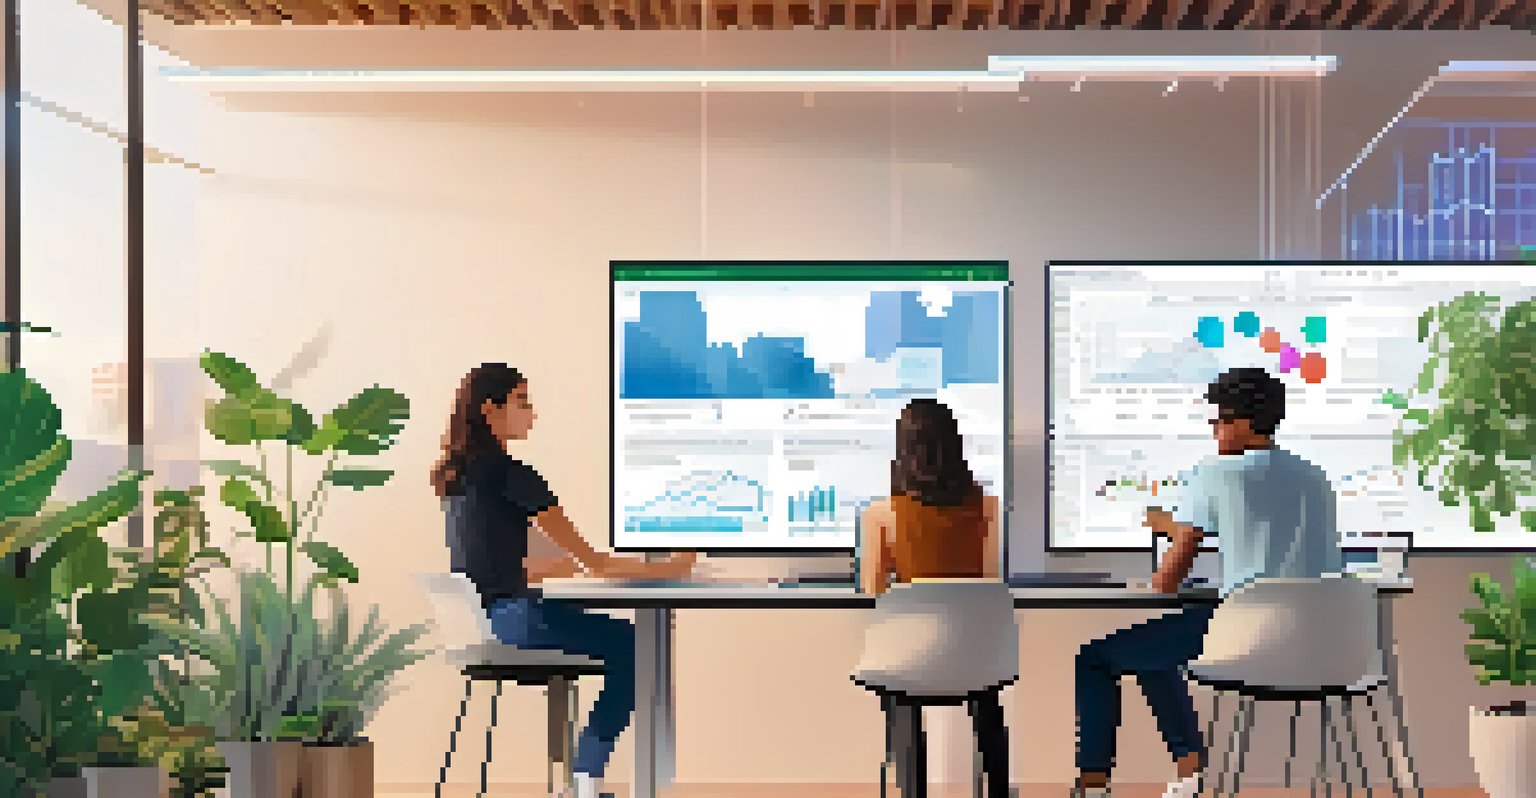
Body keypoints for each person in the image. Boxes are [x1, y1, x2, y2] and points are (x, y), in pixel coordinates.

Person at [1070, 367, 1342, 798]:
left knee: (1095, 658)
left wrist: (1170, 529)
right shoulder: (1315, 475)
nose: (1213, 429)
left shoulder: (1216, 472)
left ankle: (1092, 786)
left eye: (1219, 420)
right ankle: (1189, 768)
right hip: (1326, 644)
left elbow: (1167, 581)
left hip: (1251, 637)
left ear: (1245, 424)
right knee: (1152, 648)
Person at [431, 363, 696, 798]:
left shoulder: (457, 474)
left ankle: (580, 779)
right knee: (637, 645)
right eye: (522, 402)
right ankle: (586, 777)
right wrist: (673, 568)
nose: (532, 414)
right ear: (489, 409)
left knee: (612, 635)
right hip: (515, 621)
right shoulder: (513, 474)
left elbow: (492, 560)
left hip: (483, 621)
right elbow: (598, 564)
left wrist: (554, 566)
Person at [859, 397, 1008, 797]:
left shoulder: (881, 514)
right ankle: (998, 788)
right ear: (955, 446)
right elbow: (991, 581)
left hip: (911, 661)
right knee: (987, 690)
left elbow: (872, 590)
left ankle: (913, 791)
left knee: (901, 686)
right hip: (977, 658)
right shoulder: (990, 508)